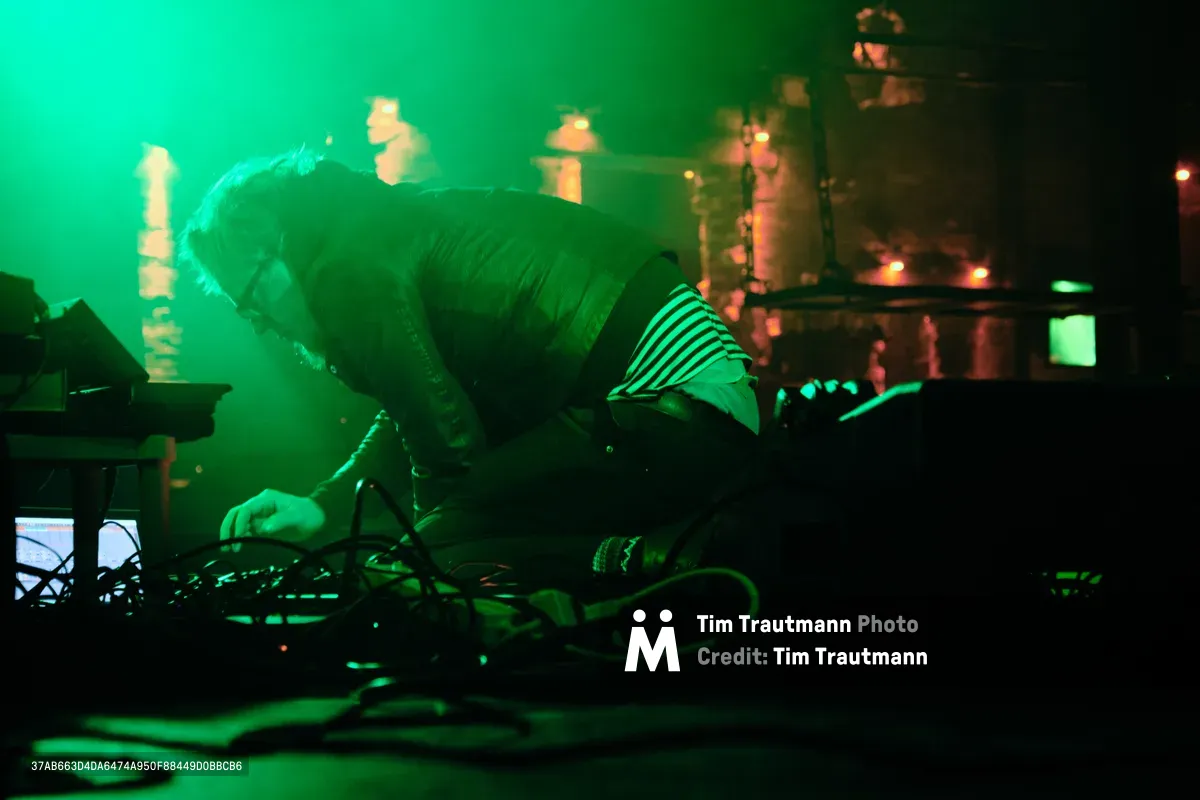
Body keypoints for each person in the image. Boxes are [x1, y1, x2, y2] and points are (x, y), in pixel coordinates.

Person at [181, 149, 759, 585]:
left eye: (251, 295)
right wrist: (323, 507)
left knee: (434, 559)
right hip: (687, 410)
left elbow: (444, 453)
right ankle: (656, 553)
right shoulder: (362, 230)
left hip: (672, 411)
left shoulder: (344, 270)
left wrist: (414, 565)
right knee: (430, 546)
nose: (258, 320)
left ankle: (670, 560)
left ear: (275, 247)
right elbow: (413, 407)